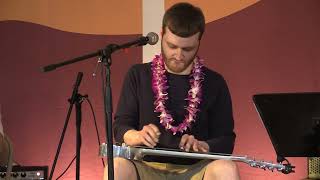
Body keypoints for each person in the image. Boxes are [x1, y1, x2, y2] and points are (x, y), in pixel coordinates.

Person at [105, 2, 240, 180]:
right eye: (172, 46)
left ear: (199, 41)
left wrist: (204, 145)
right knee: (117, 166)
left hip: (196, 170)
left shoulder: (215, 82)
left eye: (187, 49)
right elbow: (120, 127)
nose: (178, 55)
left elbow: (226, 139)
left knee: (226, 169)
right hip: (145, 166)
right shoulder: (138, 75)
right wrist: (136, 136)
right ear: (162, 35)